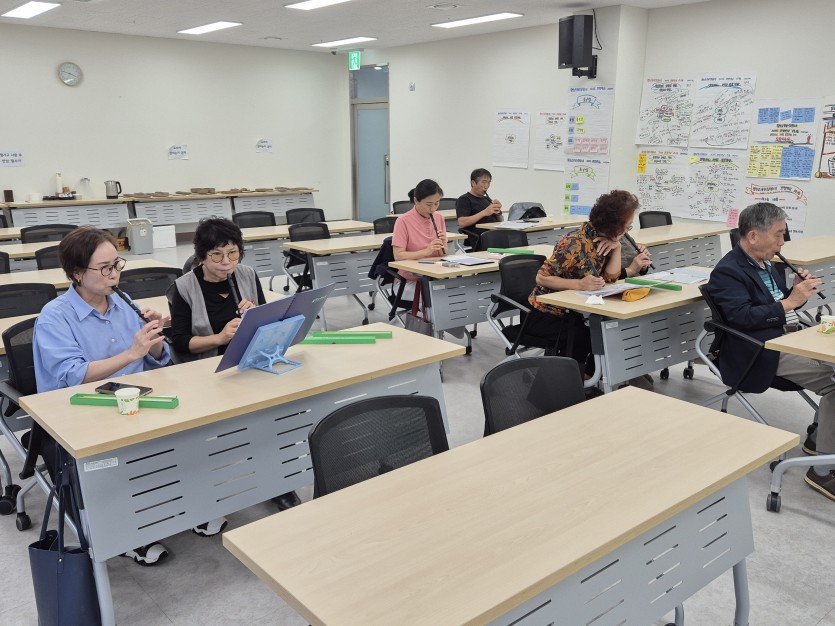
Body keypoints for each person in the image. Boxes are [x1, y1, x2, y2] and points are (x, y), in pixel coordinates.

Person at [33, 226, 172, 566]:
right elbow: (73, 376)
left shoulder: (124, 303)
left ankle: (187, 507)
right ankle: (124, 532)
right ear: (77, 273)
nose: (114, 275)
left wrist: (153, 338)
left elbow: (155, 359)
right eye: (105, 268)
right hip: (82, 413)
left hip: (135, 401)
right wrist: (131, 352)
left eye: (117, 265)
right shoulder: (55, 317)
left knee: (189, 432)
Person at [169, 217, 301, 512]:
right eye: (216, 255)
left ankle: (278, 479)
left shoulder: (247, 274)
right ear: (201, 255)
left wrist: (256, 315)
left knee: (274, 416)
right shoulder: (184, 287)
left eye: (233, 253)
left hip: (249, 361)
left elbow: (269, 322)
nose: (226, 262)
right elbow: (180, 342)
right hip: (209, 371)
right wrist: (220, 337)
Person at [705, 202, 835, 501]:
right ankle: (822, 470)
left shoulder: (767, 264)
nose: (782, 242)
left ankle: (819, 438)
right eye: (778, 234)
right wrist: (790, 302)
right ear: (753, 236)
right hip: (760, 350)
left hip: (788, 337)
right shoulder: (727, 272)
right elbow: (742, 318)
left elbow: (777, 305)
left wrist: (796, 293)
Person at [526, 190, 640, 374]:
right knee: (592, 337)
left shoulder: (605, 240)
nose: (627, 232)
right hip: (547, 313)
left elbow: (611, 278)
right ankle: (581, 380)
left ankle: (597, 378)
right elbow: (542, 277)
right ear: (614, 225)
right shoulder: (574, 243)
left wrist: (617, 248)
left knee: (609, 332)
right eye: (627, 227)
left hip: (577, 311)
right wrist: (579, 284)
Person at [391, 179, 448, 300]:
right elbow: (398, 256)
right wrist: (426, 251)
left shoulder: (439, 218)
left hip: (435, 277)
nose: (433, 209)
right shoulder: (403, 221)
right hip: (409, 281)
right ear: (416, 200)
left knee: (456, 294)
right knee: (435, 299)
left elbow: (444, 254)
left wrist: (443, 243)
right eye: (429, 204)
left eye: (437, 203)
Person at [456, 168, 502, 248]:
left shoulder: (486, 199)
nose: (486, 186)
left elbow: (500, 221)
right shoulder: (464, 199)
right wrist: (484, 212)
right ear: (473, 183)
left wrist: (498, 212)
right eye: (484, 182)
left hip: (493, 234)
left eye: (489, 183)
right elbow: (462, 222)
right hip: (478, 237)